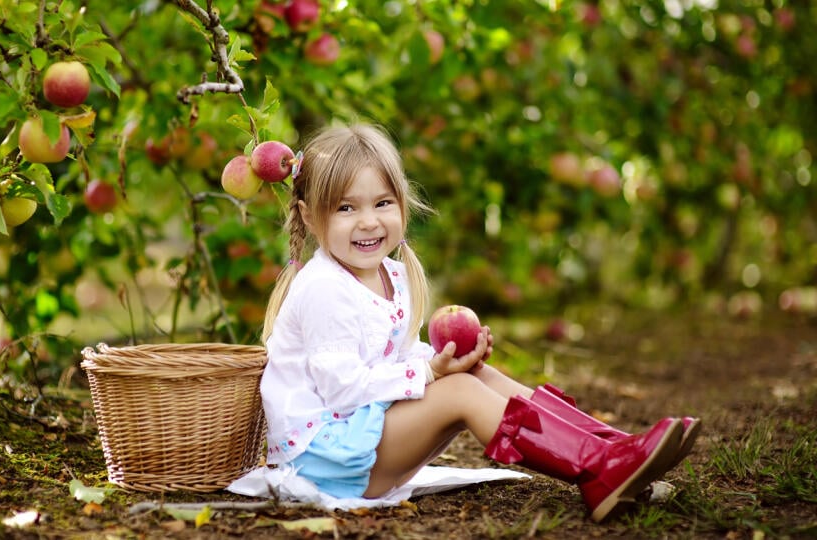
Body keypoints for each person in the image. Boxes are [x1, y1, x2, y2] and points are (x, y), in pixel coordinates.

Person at [258, 123, 700, 522]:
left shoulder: (388, 274)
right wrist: (432, 373)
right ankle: (596, 468)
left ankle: (613, 449)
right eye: (346, 209)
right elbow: (343, 389)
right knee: (461, 390)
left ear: (401, 202)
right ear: (310, 216)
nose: (369, 221)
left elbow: (394, 355)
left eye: (382, 203)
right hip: (323, 460)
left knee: (471, 372)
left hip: (359, 443)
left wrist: (447, 359)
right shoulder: (322, 288)